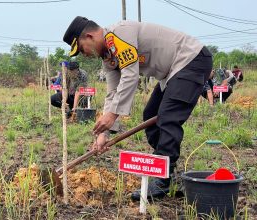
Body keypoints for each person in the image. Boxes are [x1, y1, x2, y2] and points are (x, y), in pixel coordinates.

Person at [63, 16, 213, 199]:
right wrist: (104, 133)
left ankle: (162, 179)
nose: (84, 54)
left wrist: (111, 115)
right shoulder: (108, 58)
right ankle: (168, 172)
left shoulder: (119, 34)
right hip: (172, 73)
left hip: (191, 60)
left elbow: (130, 77)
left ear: (89, 36)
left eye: (81, 48)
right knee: (151, 115)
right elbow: (113, 94)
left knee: (167, 118)